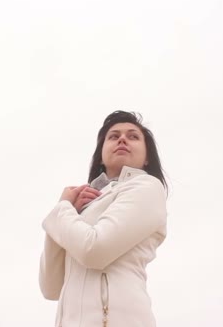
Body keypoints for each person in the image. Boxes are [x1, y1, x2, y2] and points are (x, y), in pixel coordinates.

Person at [38, 110, 169, 327]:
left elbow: (95, 251)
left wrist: (61, 210)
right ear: (101, 154)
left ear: (147, 158)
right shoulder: (81, 208)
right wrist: (66, 209)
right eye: (113, 136)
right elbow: (51, 287)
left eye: (133, 136)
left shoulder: (147, 188)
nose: (122, 139)